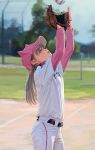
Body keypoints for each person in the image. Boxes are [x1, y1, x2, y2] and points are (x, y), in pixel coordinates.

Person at [18, 7, 74, 150]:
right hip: (45, 129)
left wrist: (69, 26)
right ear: (34, 62)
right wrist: (59, 26)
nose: (43, 49)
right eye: (38, 51)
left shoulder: (54, 70)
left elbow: (68, 50)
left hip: (56, 130)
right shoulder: (41, 72)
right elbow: (60, 50)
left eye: (42, 47)